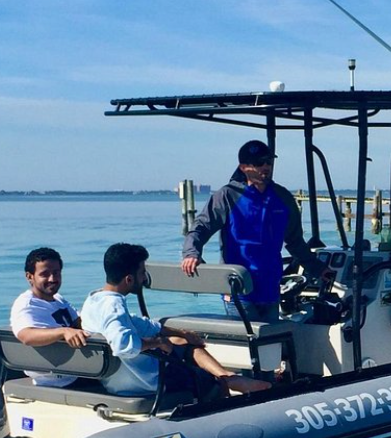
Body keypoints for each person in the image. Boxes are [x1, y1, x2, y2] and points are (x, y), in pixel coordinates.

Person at [81, 243, 271, 398]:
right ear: (129, 279)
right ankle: (226, 390)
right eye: (141, 273)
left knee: (183, 342)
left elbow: (142, 324)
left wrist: (182, 334)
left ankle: (228, 378)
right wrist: (158, 342)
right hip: (144, 381)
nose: (144, 278)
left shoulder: (94, 300)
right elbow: (123, 346)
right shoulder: (114, 308)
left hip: (118, 377)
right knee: (204, 378)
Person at [181, 139, 333, 322]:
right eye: (259, 163)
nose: (265, 167)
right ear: (244, 167)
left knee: (271, 347)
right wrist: (191, 253)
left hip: (270, 290)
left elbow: (294, 241)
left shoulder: (283, 197)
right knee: (248, 348)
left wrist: (318, 268)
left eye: (268, 162)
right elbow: (200, 227)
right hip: (238, 292)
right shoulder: (227, 195)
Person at [10, 247, 87, 388]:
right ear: (29, 276)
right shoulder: (27, 304)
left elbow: (79, 323)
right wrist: (63, 331)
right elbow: (26, 336)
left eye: (56, 273)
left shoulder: (58, 299)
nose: (52, 279)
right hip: (53, 379)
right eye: (45, 274)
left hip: (78, 370)